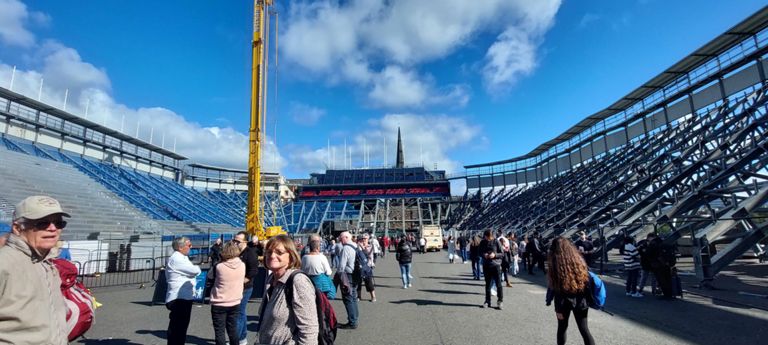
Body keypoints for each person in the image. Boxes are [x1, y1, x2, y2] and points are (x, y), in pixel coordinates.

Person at [0, 196, 69, 344]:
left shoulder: (47, 263)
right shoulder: (4, 263)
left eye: (59, 223)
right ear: (18, 228)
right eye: (42, 223)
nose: (52, 228)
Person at [258, 235, 319, 345]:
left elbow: (309, 329)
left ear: (291, 256)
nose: (272, 255)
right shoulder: (271, 279)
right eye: (268, 251)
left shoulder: (298, 281)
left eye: (279, 252)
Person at [545, 237, 596, 345]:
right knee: (584, 329)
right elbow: (586, 279)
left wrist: (549, 299)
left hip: (562, 301)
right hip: (580, 299)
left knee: (562, 328)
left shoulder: (554, 263)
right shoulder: (578, 259)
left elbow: (553, 285)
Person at [165, 236, 202, 345]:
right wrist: (197, 268)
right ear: (181, 247)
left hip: (184, 296)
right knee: (178, 329)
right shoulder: (177, 259)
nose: (191, 247)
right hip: (178, 298)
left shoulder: (182, 257)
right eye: (189, 245)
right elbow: (194, 270)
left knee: (181, 328)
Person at [210, 241, 245, 345]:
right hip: (235, 301)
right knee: (233, 330)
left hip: (219, 302)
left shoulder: (219, 266)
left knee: (219, 331)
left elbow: (210, 276)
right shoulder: (242, 265)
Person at [234, 231, 260, 344]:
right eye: (234, 240)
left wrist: (242, 281)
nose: (235, 243)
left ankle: (237, 339)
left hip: (246, 287)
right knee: (240, 312)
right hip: (235, 287)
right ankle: (242, 338)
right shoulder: (235, 252)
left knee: (239, 312)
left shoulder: (250, 253)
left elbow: (253, 271)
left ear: (245, 242)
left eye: (237, 241)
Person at [335, 231, 360, 329]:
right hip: (356, 274)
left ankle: (352, 321)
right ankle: (355, 317)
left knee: (347, 298)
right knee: (353, 296)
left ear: (346, 237)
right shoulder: (355, 245)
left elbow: (341, 266)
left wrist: (338, 277)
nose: (340, 240)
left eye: (341, 238)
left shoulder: (346, 248)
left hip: (348, 274)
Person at [479, 230, 504, 309]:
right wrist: (484, 255)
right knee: (488, 285)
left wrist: (495, 255)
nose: (488, 239)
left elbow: (502, 253)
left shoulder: (496, 242)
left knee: (498, 284)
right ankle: (487, 301)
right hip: (486, 265)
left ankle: (500, 301)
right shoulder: (483, 242)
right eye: (487, 237)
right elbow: (479, 252)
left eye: (489, 237)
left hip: (496, 265)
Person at [356, 235, 377, 302]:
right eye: (362, 239)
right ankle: (358, 296)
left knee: (368, 282)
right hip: (359, 267)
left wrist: (362, 247)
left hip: (367, 267)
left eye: (365, 238)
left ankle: (373, 297)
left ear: (368, 239)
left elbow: (369, 255)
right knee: (358, 282)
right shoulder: (357, 247)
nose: (363, 240)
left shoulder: (370, 246)